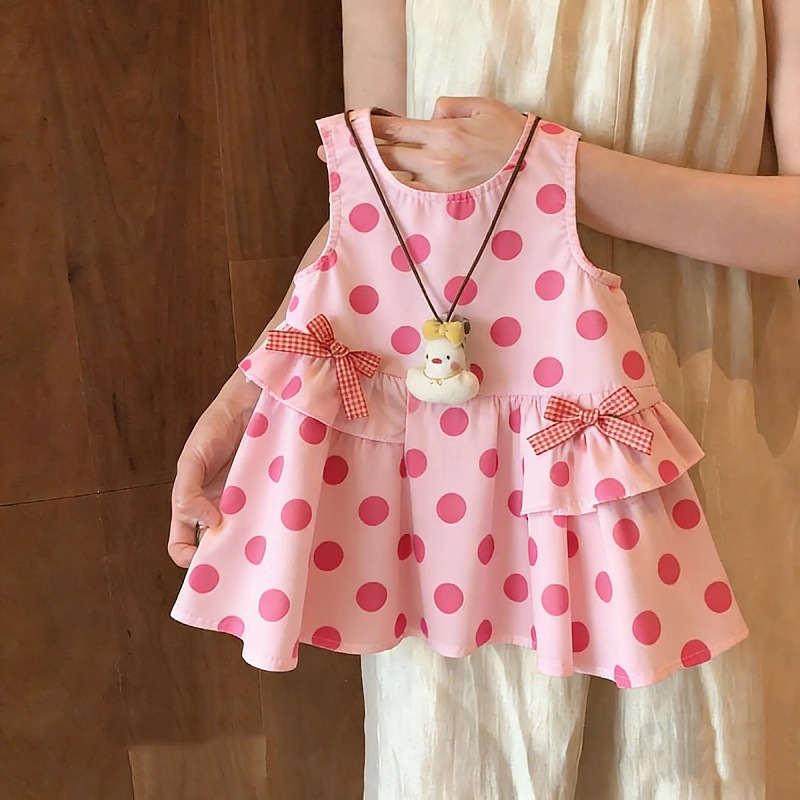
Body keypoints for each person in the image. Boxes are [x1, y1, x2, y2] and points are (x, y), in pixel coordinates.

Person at [169, 1, 800, 796]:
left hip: (684, 452)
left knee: (687, 761)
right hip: (455, 496)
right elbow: (371, 223)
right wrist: (241, 407)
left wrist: (554, 172)